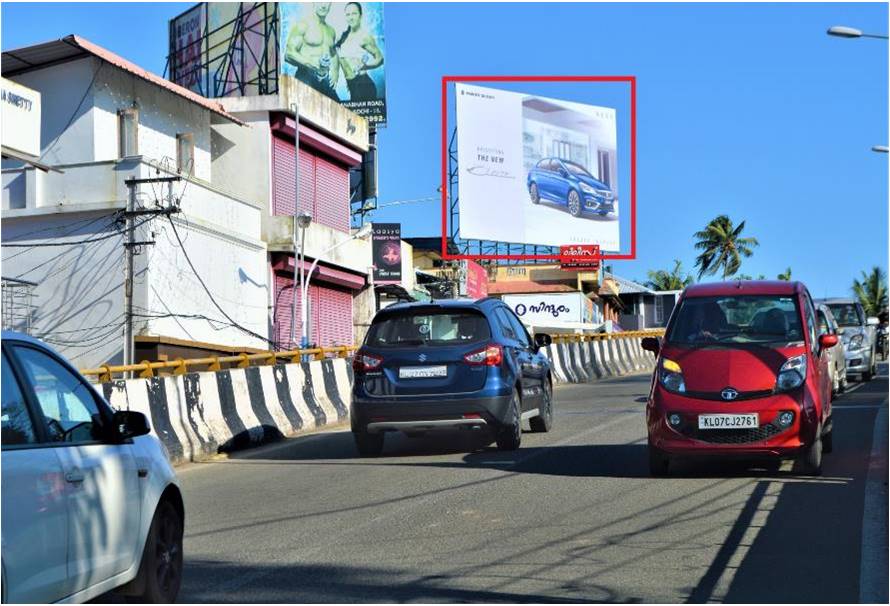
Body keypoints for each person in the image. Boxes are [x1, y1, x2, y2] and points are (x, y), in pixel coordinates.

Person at [283, 2, 339, 100]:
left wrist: (335, 72)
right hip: (306, 76)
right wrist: (312, 64)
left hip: (324, 79)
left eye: (327, 2)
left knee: (338, 108)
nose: (323, 5)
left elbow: (333, 53)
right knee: (304, 109)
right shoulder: (303, 25)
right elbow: (288, 54)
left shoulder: (331, 31)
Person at [335, 2, 384, 102]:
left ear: (360, 16)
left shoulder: (364, 37)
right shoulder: (343, 36)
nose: (351, 17)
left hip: (364, 85)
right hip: (352, 86)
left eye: (354, 14)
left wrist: (366, 66)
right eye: (348, 14)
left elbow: (380, 58)